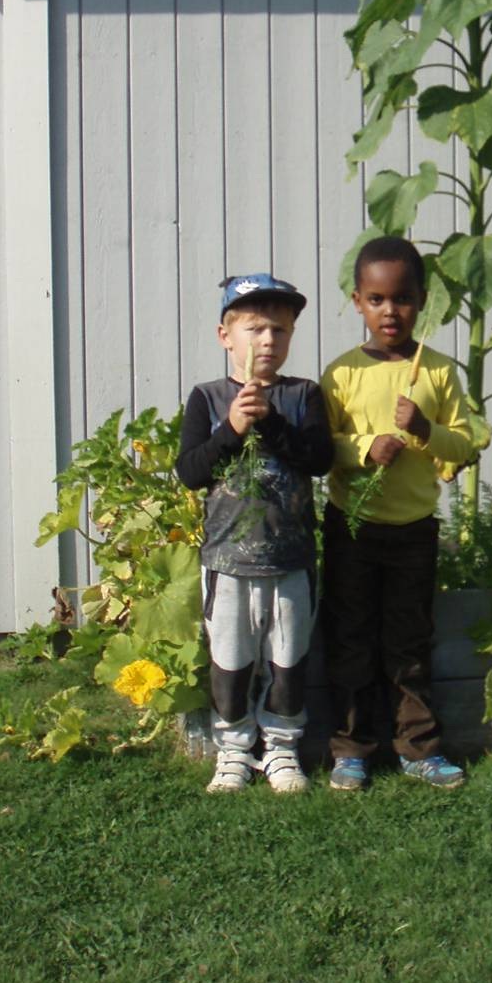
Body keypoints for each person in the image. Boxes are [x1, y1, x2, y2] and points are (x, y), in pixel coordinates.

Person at [321, 236, 476, 790]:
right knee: (351, 637)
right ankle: (350, 749)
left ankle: (418, 747)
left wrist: (424, 431)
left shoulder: (436, 372)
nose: (391, 312)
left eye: (404, 299)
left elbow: (464, 444)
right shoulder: (340, 375)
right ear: (357, 301)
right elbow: (322, 450)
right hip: (352, 528)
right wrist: (365, 449)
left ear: (423, 301)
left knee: (410, 641)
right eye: (378, 299)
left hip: (414, 532)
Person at [176, 273, 332, 795]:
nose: (268, 341)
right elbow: (191, 471)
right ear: (226, 336)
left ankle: (283, 749)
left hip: (290, 558)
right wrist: (233, 429)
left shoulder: (303, 395)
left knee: (288, 658)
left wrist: (268, 423)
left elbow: (319, 460)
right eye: (256, 329)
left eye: (281, 331)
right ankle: (234, 750)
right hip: (226, 561)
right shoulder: (207, 398)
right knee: (231, 660)